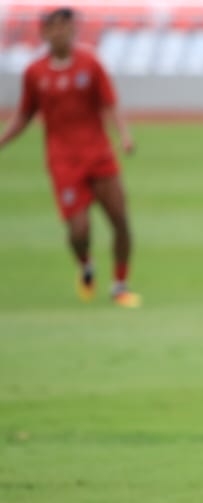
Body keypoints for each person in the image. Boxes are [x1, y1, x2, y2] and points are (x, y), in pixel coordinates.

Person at [0, 6, 140, 307]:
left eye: (67, 25)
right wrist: (3, 139)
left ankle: (120, 284)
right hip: (63, 161)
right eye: (56, 26)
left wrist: (124, 135)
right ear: (45, 32)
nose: (62, 31)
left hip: (99, 155)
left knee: (120, 221)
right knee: (79, 230)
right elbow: (24, 114)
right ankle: (86, 264)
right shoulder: (35, 73)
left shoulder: (90, 64)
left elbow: (109, 103)